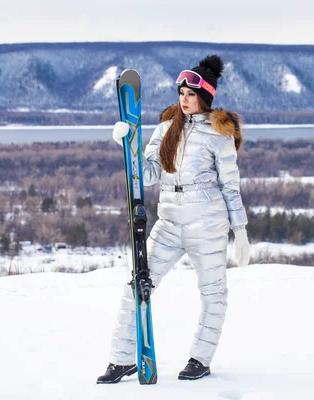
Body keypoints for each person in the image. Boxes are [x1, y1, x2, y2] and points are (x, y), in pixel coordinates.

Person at [96, 54, 250, 384]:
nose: (184, 99)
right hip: (168, 223)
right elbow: (148, 174)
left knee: (213, 293)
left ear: (205, 97)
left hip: (207, 224)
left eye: (191, 94)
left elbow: (230, 186)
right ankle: (123, 358)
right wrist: (130, 142)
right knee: (137, 286)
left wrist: (241, 230)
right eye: (181, 93)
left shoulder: (218, 134)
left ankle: (200, 358)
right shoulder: (166, 128)